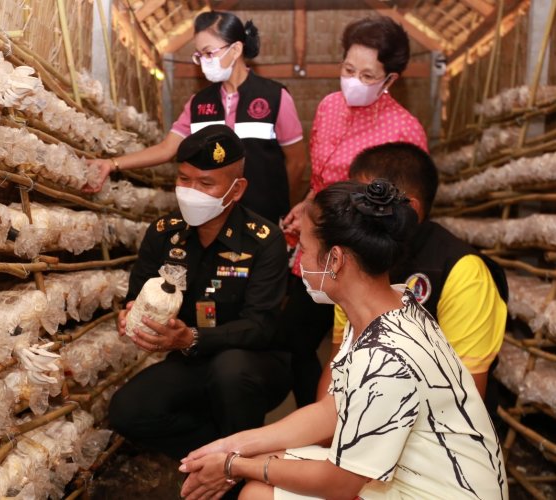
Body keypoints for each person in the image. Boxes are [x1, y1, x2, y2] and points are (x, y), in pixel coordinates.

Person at [178, 179, 508, 500]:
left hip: (444, 491)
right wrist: (233, 447)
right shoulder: (389, 304)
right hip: (426, 475)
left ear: (334, 260)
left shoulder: (385, 356)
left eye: (304, 249)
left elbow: (340, 484)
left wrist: (236, 466)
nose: (300, 262)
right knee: (271, 468)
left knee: (258, 493)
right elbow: (333, 410)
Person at [109, 125, 291, 461]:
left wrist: (191, 337)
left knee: (231, 371)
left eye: (206, 183)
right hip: (192, 361)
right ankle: (218, 453)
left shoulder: (264, 241)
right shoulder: (164, 234)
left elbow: (260, 326)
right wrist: (132, 315)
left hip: (255, 364)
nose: (191, 191)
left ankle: (235, 476)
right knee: (126, 412)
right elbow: (137, 292)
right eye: (184, 179)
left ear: (236, 190)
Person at [280, 15, 428, 407]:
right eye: (348, 69)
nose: (352, 81)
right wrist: (306, 206)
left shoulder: (405, 131)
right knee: (294, 338)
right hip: (315, 250)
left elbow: (406, 212)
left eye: (367, 75)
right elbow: (321, 178)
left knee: (352, 349)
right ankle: (312, 420)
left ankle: (348, 425)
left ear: (390, 79)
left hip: (361, 260)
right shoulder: (329, 106)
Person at [316, 142, 508, 401]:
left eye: (368, 203)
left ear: (411, 208)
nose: (352, 214)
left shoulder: (463, 271)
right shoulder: (353, 260)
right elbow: (338, 364)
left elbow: (465, 399)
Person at [85, 11, 307, 224]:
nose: (203, 61)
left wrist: (281, 205)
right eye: (199, 55)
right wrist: (112, 164)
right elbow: (166, 149)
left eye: (209, 53)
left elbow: (297, 162)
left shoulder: (274, 96)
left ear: (236, 49)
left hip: (261, 216)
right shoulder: (199, 103)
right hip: (212, 219)